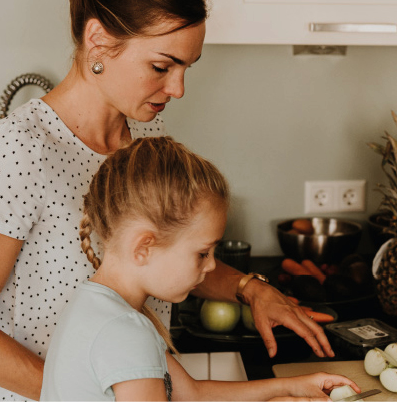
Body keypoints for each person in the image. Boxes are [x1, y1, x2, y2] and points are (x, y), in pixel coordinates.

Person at [0, 1, 335, 400]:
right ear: (99, 41)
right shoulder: (20, 149)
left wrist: (248, 288)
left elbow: (160, 250)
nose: (177, 88)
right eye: (162, 67)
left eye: (186, 68)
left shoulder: (141, 132)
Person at [40, 136, 359, 401]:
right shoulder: (124, 332)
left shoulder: (99, 309)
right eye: (202, 253)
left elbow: (191, 394)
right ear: (144, 247)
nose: (210, 267)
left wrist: (290, 386)